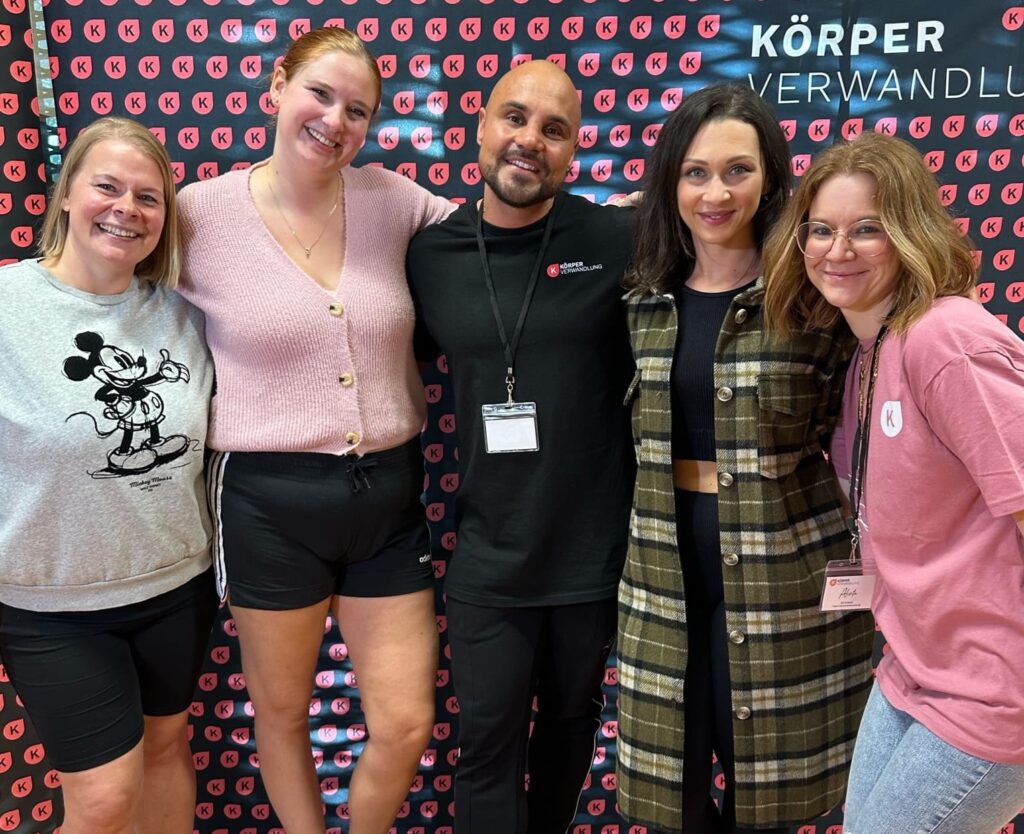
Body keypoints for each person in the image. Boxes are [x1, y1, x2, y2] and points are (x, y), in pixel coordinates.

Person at [176, 27, 453, 834]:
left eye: (358, 110)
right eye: (321, 95)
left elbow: (495, 239)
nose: (337, 121)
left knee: (404, 722)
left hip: (389, 500)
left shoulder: (392, 199)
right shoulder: (199, 214)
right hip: (267, 503)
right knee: (283, 711)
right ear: (276, 86)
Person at [616, 83, 875, 834]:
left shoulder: (813, 294)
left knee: (767, 793)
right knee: (676, 793)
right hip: (663, 568)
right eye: (695, 172)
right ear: (670, 181)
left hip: (784, 567)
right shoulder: (641, 299)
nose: (715, 192)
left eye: (737, 170)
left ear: (769, 178)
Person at [763, 130, 1024, 834]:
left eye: (866, 229)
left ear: (908, 234)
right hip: (913, 667)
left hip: (994, 690)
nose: (837, 250)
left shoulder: (947, 338)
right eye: (821, 229)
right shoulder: (873, 349)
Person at [406, 60, 635, 834]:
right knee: (486, 748)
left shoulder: (616, 238)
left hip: (591, 559)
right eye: (514, 117)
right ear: (480, 125)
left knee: (572, 730)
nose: (529, 140)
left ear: (574, 149)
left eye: (554, 128)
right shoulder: (429, 257)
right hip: (487, 561)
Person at [0, 117, 216, 834]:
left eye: (148, 198)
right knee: (103, 801)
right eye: (108, 187)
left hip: (172, 588)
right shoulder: (8, 308)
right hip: (49, 605)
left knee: (164, 754)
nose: (127, 209)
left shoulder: (184, 312)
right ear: (66, 196)